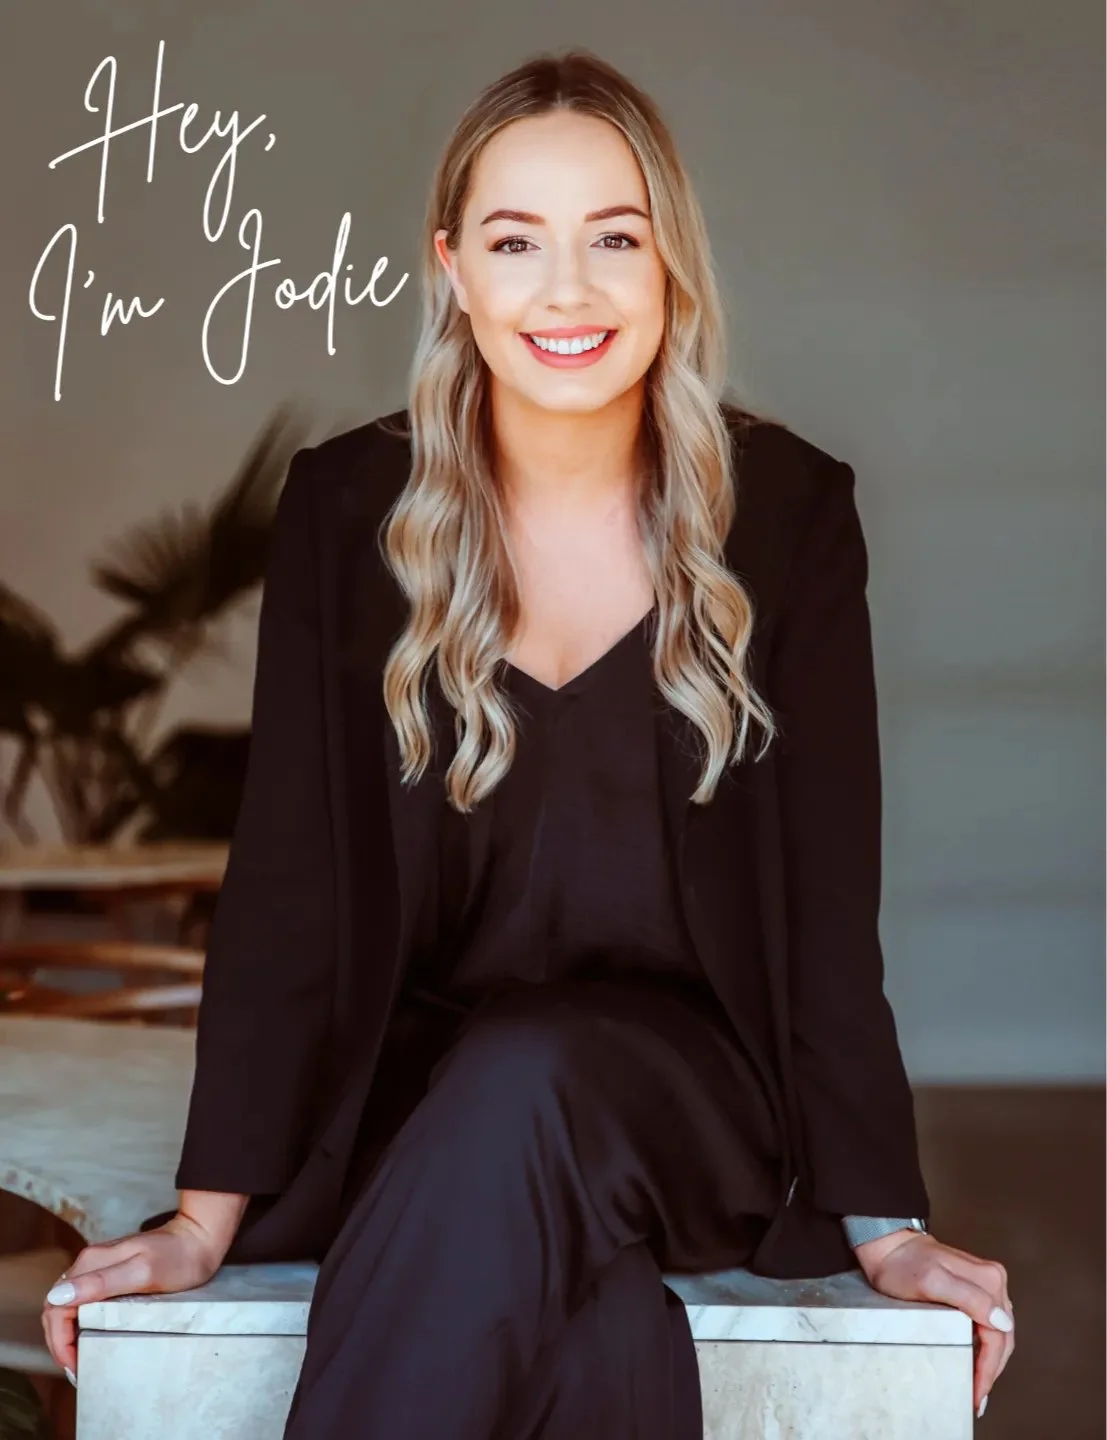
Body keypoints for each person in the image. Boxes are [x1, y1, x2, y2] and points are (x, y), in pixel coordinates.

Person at [41, 47, 1014, 1436]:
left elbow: (822, 905)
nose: (566, 290)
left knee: (533, 1072)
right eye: (515, 241)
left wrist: (886, 1225)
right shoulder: (346, 510)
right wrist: (204, 1222)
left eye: (613, 238)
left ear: (670, 261)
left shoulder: (788, 516)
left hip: (689, 1100)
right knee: (584, 1333)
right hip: (425, 1101)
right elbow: (288, 893)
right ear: (451, 268)